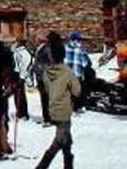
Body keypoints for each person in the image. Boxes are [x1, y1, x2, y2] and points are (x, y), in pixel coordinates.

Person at [35, 39, 81, 169]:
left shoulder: (47, 72)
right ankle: (42, 166)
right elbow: (77, 91)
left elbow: (48, 89)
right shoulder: (67, 72)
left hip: (53, 108)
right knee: (59, 140)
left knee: (67, 139)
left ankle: (68, 165)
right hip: (64, 110)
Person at [33, 31, 60, 124]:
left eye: (37, 39)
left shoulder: (46, 48)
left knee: (46, 98)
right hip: (40, 76)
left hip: (45, 76)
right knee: (44, 97)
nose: (35, 40)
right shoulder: (39, 48)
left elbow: (50, 61)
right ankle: (46, 117)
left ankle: (49, 118)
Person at [11, 37, 32, 121]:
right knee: (16, 95)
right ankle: (19, 111)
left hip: (20, 75)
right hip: (15, 74)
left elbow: (24, 66)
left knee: (20, 95)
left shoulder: (24, 53)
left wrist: (22, 77)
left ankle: (23, 113)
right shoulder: (16, 51)